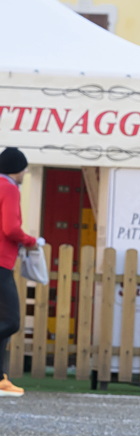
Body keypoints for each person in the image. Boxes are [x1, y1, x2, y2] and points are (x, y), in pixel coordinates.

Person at [0, 147, 41, 397]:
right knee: (11, 320)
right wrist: (31, 241)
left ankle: (0, 379)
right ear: (17, 169)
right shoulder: (10, 188)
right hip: (1, 262)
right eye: (24, 169)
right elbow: (11, 229)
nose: (25, 173)